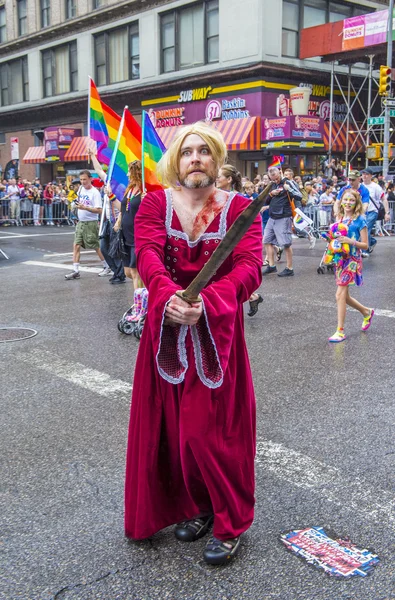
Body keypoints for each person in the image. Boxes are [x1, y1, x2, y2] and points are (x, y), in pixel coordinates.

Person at [124, 123, 262, 566]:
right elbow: (145, 255)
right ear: (176, 162)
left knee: (209, 432)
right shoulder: (153, 203)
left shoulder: (240, 208)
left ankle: (230, 522)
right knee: (174, 432)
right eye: (188, 152)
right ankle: (199, 506)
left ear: (217, 159)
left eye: (205, 151)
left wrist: (207, 302)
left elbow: (249, 267)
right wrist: (168, 298)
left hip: (216, 332)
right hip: (165, 329)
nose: (196, 158)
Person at [216, 165, 263, 317]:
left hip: (235, 246)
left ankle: (252, 298)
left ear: (229, 179)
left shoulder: (240, 200)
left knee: (233, 280)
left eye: (220, 176)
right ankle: (253, 297)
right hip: (218, 244)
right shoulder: (215, 197)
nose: (216, 178)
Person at [328, 189, 374, 343]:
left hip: (352, 260)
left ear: (356, 203)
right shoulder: (339, 218)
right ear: (341, 202)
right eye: (345, 200)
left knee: (339, 295)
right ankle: (366, 312)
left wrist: (351, 241)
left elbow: (366, 245)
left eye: (351, 200)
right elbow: (335, 238)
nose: (347, 203)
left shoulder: (360, 220)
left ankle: (340, 331)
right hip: (339, 259)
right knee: (345, 296)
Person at [88, 150, 126, 284]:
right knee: (104, 247)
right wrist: (93, 156)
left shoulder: (122, 186)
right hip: (108, 221)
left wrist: (120, 221)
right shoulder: (108, 180)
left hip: (118, 221)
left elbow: (124, 206)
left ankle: (119, 274)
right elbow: (98, 169)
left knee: (116, 249)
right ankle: (116, 271)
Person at [64, 170, 107, 280]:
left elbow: (99, 210)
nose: (83, 182)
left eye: (85, 180)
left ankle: (107, 266)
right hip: (81, 222)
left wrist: (85, 208)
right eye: (81, 180)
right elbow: (79, 201)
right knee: (76, 245)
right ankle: (75, 270)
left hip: (91, 223)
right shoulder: (81, 189)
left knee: (96, 246)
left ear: (90, 179)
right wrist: (74, 204)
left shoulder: (95, 193)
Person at [262, 166, 302, 277]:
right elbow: (265, 200)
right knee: (266, 240)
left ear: (279, 173)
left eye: (275, 178)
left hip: (283, 216)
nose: (274, 180)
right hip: (272, 217)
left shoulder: (288, 182)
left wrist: (288, 189)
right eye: (272, 178)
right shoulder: (272, 184)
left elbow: (299, 196)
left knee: (286, 243)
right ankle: (271, 266)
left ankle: (289, 268)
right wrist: (271, 194)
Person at [112, 160, 143, 290]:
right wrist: (111, 196)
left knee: (135, 272)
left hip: (138, 235)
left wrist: (146, 200)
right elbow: (123, 208)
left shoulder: (144, 192)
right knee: (128, 273)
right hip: (125, 236)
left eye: (129, 171)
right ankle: (146, 291)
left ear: (136, 172)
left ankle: (138, 305)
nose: (127, 174)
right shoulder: (129, 190)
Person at [361, 167, 391, 254]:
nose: (365, 176)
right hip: (362, 212)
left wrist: (387, 213)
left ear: (371, 176)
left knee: (366, 229)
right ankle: (372, 241)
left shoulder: (375, 187)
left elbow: (384, 199)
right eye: (363, 174)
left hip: (372, 211)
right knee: (361, 230)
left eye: (367, 174)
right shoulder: (360, 186)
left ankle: (365, 250)